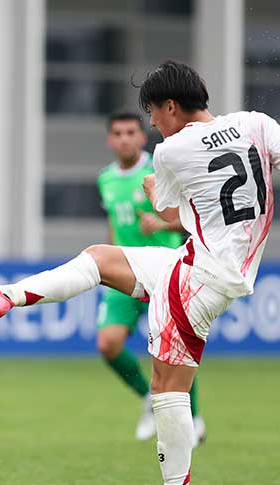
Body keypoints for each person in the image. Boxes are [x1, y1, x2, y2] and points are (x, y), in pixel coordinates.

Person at [0, 60, 280, 485]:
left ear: (170, 106)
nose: (151, 125)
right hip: (197, 264)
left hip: (200, 280)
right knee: (100, 259)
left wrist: (150, 189)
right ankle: (6, 296)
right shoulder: (256, 123)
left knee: (167, 389)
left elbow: (167, 213)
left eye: (153, 114)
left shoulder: (171, 150)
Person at [96, 111, 205, 445]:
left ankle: (193, 418)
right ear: (110, 140)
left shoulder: (159, 171)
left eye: (131, 132)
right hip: (125, 270)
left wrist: (162, 224)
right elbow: (115, 222)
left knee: (173, 350)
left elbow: (192, 217)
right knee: (108, 344)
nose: (124, 138)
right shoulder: (106, 179)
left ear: (143, 137)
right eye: (118, 133)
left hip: (164, 270)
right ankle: (147, 396)